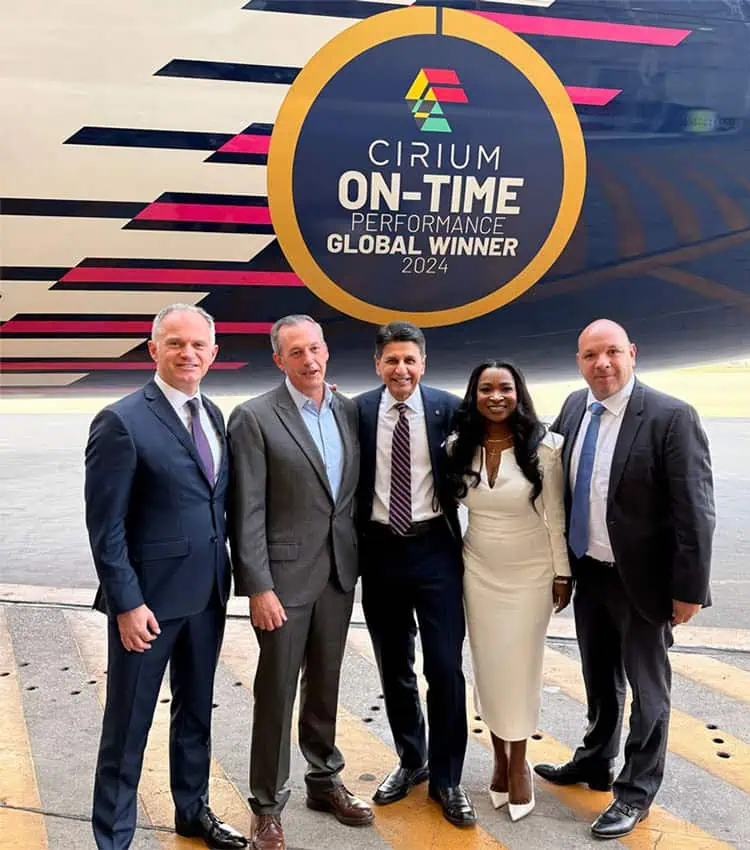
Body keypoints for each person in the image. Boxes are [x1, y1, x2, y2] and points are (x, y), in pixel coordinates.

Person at [534, 319, 715, 840]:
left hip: (646, 582)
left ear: (632, 354)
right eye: (591, 355)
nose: (603, 364)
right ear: (579, 361)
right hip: (590, 572)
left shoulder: (670, 416)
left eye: (612, 352)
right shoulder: (574, 406)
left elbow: (696, 511)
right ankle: (595, 761)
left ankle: (635, 792)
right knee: (600, 679)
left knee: (647, 690)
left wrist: (689, 589)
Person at [84, 303, 246, 850]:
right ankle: (113, 838)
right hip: (147, 606)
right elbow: (105, 528)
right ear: (153, 349)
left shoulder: (216, 415)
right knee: (127, 727)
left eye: (199, 345)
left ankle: (192, 811)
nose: (188, 353)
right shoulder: (121, 420)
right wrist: (127, 604)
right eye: (175, 343)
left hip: (205, 597)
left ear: (214, 354)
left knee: (195, 713)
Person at [227, 315, 373, 850]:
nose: (309, 360)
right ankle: (266, 804)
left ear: (327, 351)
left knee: (326, 684)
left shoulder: (348, 410)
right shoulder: (254, 417)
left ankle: (324, 779)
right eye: (296, 352)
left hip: (338, 571)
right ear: (279, 360)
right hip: (282, 583)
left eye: (315, 348)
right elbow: (247, 511)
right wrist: (258, 586)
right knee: (276, 690)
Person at [354, 321, 476, 827]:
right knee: (394, 666)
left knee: (444, 667)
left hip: (435, 550)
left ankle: (448, 779)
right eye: (391, 360)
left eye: (410, 360)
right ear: (377, 365)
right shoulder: (355, 410)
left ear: (423, 363)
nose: (400, 369)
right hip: (379, 552)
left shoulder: (450, 408)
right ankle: (412, 760)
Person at [445, 360, 571, 823]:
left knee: (520, 669)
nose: (495, 397)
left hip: (531, 572)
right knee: (489, 668)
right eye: (485, 389)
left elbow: (554, 515)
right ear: (473, 395)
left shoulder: (546, 448)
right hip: (478, 570)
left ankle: (519, 766)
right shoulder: (458, 447)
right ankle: (498, 757)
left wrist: (562, 573)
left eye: (505, 388)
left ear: (519, 393)